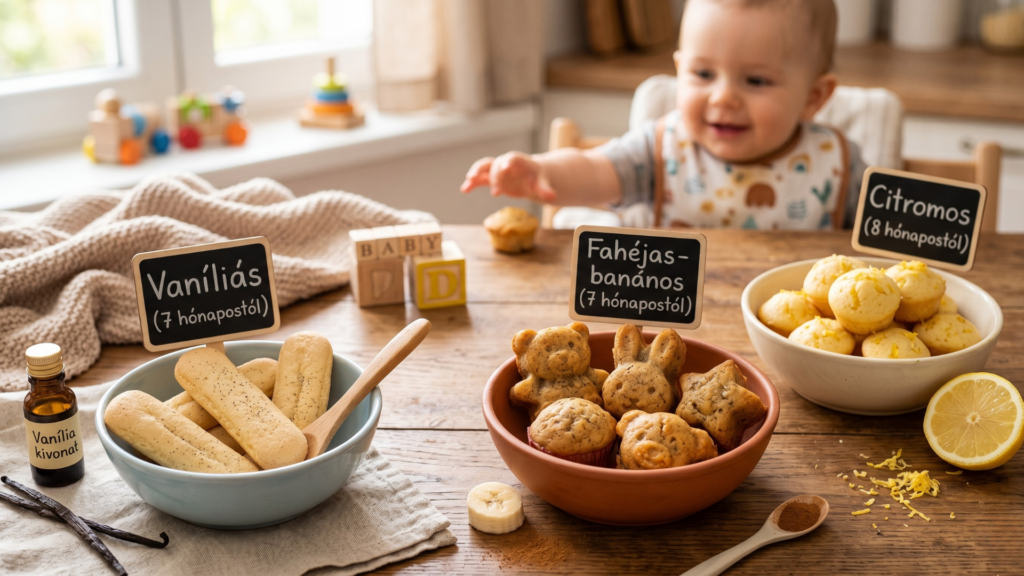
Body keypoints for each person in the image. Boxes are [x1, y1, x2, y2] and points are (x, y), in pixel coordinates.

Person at [461, 0, 867, 230]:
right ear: (679, 69)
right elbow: (591, 171)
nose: (723, 97)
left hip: (792, 347)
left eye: (756, 81)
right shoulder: (660, 149)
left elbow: (887, 234)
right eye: (703, 74)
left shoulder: (839, 165)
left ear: (814, 96)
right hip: (673, 339)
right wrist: (542, 172)